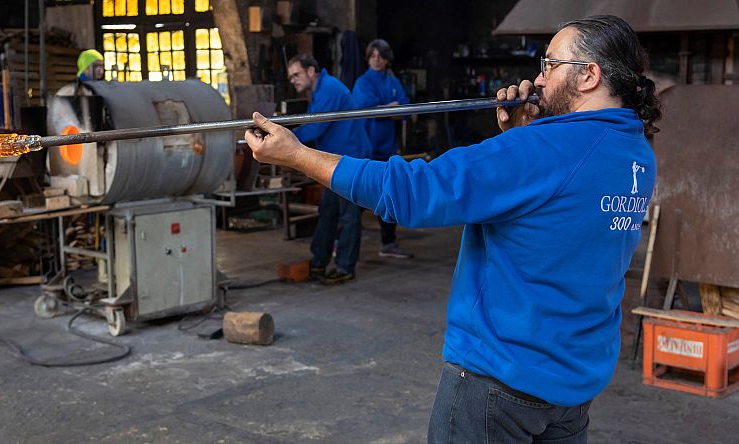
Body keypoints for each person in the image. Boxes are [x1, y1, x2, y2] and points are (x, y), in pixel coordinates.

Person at [246, 15, 660, 442]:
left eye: (549, 65)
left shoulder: (540, 150)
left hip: (498, 385)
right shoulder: (637, 154)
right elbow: (558, 211)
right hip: (572, 389)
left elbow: (411, 192)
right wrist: (520, 138)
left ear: (589, 75)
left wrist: (296, 155)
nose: (537, 79)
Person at [287, 54, 372, 284]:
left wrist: (284, 139)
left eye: (296, 75)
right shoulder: (318, 90)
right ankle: (319, 262)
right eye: (291, 77)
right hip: (334, 163)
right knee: (328, 212)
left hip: (350, 162)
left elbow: (315, 128)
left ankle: (345, 267)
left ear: (311, 71)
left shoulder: (329, 89)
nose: (293, 80)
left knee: (348, 216)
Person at [352, 39, 414, 259]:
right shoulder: (363, 82)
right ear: (368, 58)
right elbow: (368, 112)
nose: (376, 59)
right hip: (366, 148)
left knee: (388, 195)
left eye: (380, 55)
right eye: (373, 55)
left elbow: (406, 109)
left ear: (387, 59)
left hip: (387, 148)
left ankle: (388, 243)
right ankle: (341, 242)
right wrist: (391, 108)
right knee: (357, 198)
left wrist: (386, 109)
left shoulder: (392, 81)